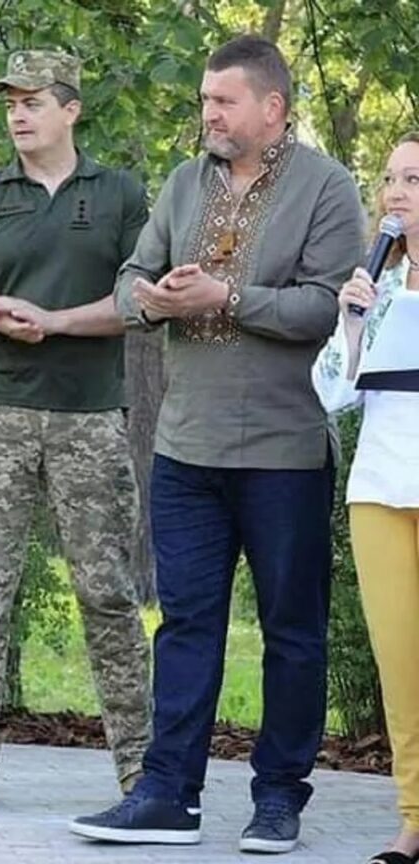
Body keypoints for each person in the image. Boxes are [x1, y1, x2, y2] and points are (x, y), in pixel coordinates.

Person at [69, 35, 366, 853]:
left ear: (273, 108)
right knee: (185, 625)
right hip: (184, 449)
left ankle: (278, 799)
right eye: (205, 100)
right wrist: (153, 298)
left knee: (292, 633)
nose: (209, 114)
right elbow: (130, 279)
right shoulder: (183, 183)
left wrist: (225, 297)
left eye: (224, 101)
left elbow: (326, 309)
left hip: (284, 451)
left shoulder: (327, 188)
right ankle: (168, 795)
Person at [0, 49, 152, 810]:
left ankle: (139, 766)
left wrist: (55, 322)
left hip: (90, 418)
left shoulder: (119, 195)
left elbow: (139, 301)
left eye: (33, 101)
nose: (18, 115)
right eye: (10, 104)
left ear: (71, 108)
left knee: (109, 597)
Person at [311, 131, 419, 864]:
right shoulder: (375, 289)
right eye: (389, 178)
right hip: (381, 490)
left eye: (412, 178)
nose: (395, 192)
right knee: (402, 665)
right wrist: (351, 322)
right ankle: (414, 818)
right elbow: (331, 393)